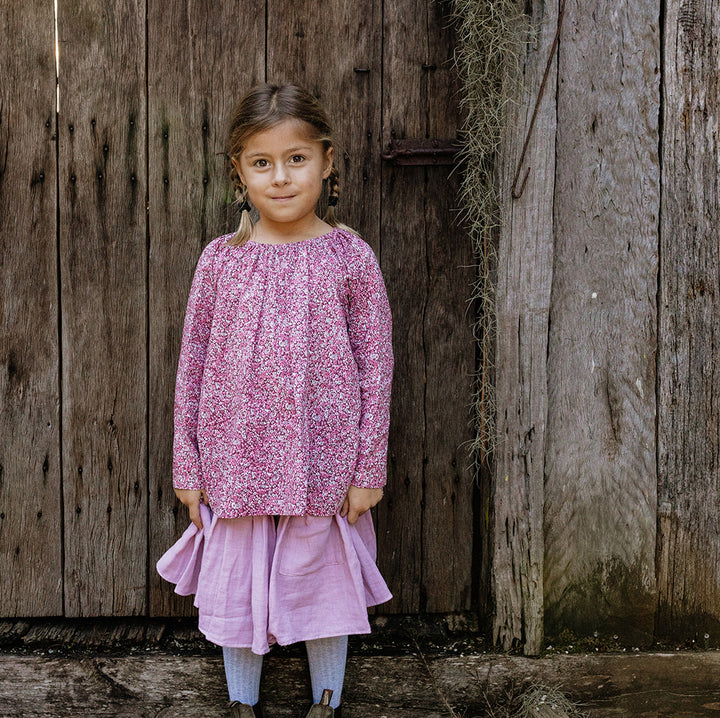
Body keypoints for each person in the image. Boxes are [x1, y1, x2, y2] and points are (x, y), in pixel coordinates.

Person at [157, 83, 393, 718]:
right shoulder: (221, 261)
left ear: (327, 160)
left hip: (324, 464)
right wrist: (189, 465)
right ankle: (241, 704)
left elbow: (376, 368)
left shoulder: (351, 257)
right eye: (262, 163)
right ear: (239, 170)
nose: (281, 177)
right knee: (239, 585)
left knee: (321, 585)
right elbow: (192, 369)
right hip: (235, 464)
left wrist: (368, 469)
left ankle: (327, 702)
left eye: (297, 159)